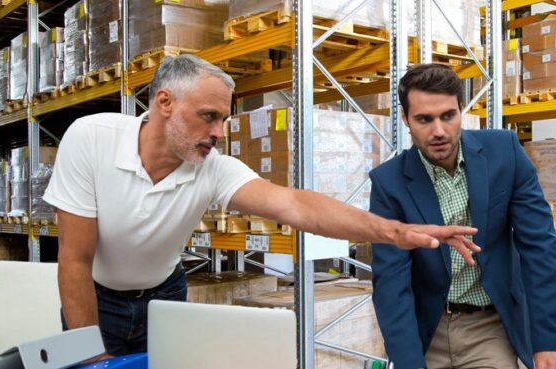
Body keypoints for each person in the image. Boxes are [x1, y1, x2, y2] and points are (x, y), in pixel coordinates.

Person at [42, 55, 481, 359]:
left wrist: (393, 231)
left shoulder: (211, 167)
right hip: (96, 296)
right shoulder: (92, 138)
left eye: (224, 119)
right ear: (165, 103)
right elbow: (75, 261)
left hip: (164, 294)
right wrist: (90, 357)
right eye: (209, 116)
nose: (219, 131)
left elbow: (296, 205)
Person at [368, 63, 556, 369]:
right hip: (425, 331)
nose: (438, 131)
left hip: (487, 327)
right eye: (424, 119)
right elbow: (391, 283)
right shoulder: (389, 183)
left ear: (461, 109)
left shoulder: (505, 153)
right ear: (406, 119)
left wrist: (548, 341)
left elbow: (540, 247)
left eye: (448, 116)